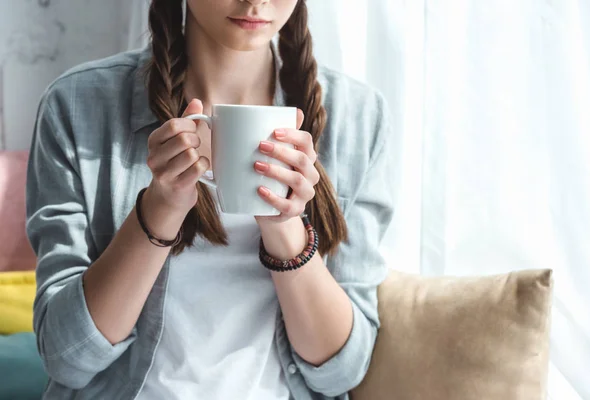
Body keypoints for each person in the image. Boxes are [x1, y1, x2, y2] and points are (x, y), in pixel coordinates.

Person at [26, 0, 394, 399]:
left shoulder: (357, 118)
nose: (256, 2)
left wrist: (284, 227)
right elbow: (67, 358)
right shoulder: (77, 105)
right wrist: (159, 210)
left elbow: (342, 371)